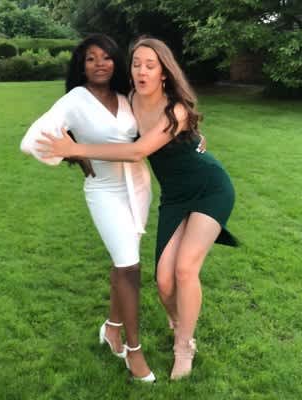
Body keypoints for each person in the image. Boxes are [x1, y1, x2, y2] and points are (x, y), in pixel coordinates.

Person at [37, 37, 238, 380]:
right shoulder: (128, 101)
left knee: (185, 270)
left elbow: (137, 151)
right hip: (174, 196)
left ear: (164, 72)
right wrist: (76, 149)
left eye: (150, 65)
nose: (142, 71)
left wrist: (76, 149)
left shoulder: (175, 109)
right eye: (136, 64)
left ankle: (184, 346)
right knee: (163, 282)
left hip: (210, 188)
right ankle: (178, 321)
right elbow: (97, 119)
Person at [20, 34, 156, 382]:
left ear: (115, 62)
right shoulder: (75, 100)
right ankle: (134, 351)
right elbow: (31, 140)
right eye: (91, 58)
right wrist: (73, 154)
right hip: (105, 192)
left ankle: (112, 328)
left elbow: (154, 127)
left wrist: (193, 136)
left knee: (122, 261)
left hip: (138, 188)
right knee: (130, 267)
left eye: (106, 57)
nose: (100, 64)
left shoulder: (127, 97)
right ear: (81, 65)